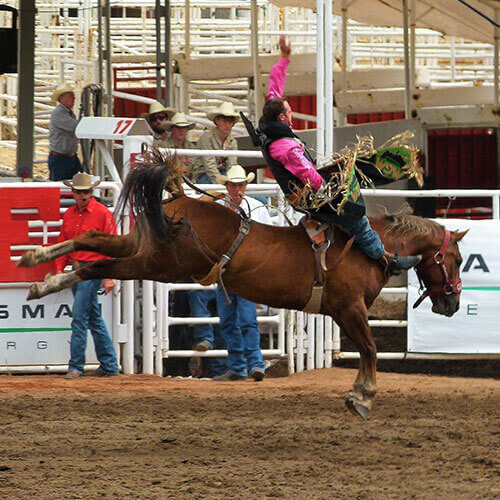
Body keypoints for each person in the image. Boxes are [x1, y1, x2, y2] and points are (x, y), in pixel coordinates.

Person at [258, 35, 421, 274]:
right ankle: (387, 260)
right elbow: (305, 171)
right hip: (307, 195)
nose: (292, 114)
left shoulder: (271, 124)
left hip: (303, 188)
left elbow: (275, 86)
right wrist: (327, 189)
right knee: (356, 217)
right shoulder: (285, 146)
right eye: (290, 112)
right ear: (282, 118)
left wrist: (284, 58)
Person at [56, 172, 119, 379]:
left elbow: (112, 245)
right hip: (80, 269)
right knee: (92, 318)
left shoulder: (101, 213)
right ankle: (109, 364)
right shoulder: (71, 214)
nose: (83, 195)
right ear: (73, 192)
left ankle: (76, 366)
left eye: (87, 192)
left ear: (91, 192)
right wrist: (60, 268)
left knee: (80, 317)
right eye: (80, 192)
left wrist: (108, 275)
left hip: (91, 269)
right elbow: (65, 242)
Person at [211, 165, 271, 382]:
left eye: (241, 185)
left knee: (246, 319)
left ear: (246, 186)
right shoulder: (218, 208)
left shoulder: (256, 209)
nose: (238, 189)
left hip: (247, 273)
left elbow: (268, 242)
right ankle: (241, 366)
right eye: (234, 185)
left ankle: (252, 364)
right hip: (226, 273)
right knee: (229, 320)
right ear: (227, 186)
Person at [191, 101, 239, 183]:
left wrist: (233, 179)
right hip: (203, 175)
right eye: (225, 121)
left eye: (230, 122)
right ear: (217, 121)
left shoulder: (232, 141)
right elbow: (209, 167)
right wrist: (224, 183)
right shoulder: (206, 139)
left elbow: (231, 165)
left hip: (223, 175)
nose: (228, 125)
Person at [48, 82, 82, 181]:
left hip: (66, 156)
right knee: (75, 183)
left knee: (75, 183)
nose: (74, 99)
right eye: (71, 96)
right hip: (61, 158)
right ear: (62, 98)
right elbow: (75, 127)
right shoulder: (58, 113)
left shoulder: (68, 114)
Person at [160, 112, 197, 176]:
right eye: (177, 127)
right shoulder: (163, 146)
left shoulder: (192, 147)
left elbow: (196, 168)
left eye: (183, 127)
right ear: (172, 129)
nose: (181, 130)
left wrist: (190, 171)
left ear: (187, 129)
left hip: (190, 181)